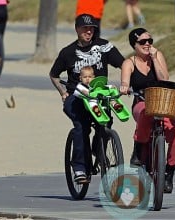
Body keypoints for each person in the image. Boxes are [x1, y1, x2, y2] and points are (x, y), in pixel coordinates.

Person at [49, 14, 124, 184]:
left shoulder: (104, 46)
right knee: (81, 127)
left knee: (105, 123)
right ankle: (80, 168)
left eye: (91, 29)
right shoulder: (67, 52)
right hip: (77, 98)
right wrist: (62, 92)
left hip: (99, 95)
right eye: (85, 28)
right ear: (77, 29)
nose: (88, 32)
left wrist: (125, 83)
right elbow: (54, 75)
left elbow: (123, 63)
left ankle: (98, 149)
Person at [119, 28, 175, 193]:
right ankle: (139, 150)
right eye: (142, 42)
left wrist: (154, 58)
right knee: (146, 113)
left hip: (162, 103)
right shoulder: (129, 63)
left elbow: (164, 79)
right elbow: (125, 82)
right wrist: (124, 87)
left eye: (150, 41)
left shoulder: (157, 55)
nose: (147, 44)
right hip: (141, 102)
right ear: (134, 45)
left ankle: (169, 171)